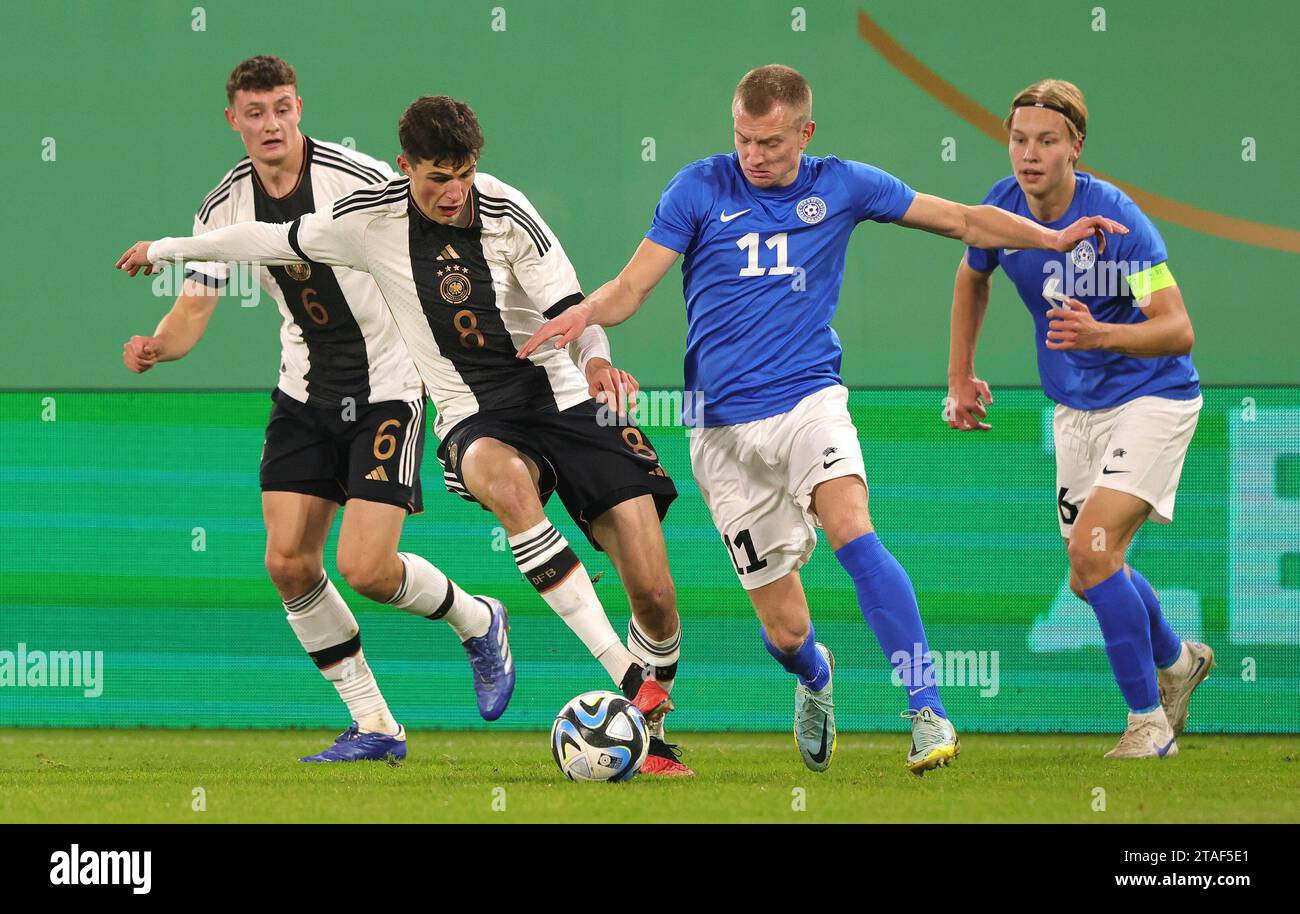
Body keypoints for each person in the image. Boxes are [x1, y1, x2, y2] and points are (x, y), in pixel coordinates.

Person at [519, 64, 1126, 775]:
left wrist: (1053, 239)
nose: (754, 155)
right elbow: (630, 287)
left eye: (771, 142)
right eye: (744, 139)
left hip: (809, 401)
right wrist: (585, 315)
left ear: (806, 132)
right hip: (720, 432)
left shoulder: (844, 185)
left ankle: (927, 710)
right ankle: (815, 676)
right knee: (785, 633)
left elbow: (961, 219)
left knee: (853, 530)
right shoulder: (698, 188)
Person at [118, 95, 693, 776]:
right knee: (505, 487)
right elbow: (263, 241)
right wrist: (166, 247)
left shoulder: (508, 212)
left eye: (464, 175)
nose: (453, 193)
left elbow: (572, 311)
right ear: (405, 168)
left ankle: (649, 726)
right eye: (436, 178)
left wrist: (597, 360)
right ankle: (623, 673)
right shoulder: (369, 219)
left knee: (653, 589)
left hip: (564, 398)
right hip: (473, 414)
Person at [120, 57, 516, 763]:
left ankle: (479, 619)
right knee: (289, 562)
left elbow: (436, 241)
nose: (270, 123)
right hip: (304, 390)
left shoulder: (356, 179)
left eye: (280, 107)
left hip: (390, 385)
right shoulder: (224, 205)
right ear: (232, 119)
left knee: (367, 568)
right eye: (254, 111)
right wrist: (159, 347)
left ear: (299, 107)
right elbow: (194, 305)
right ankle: (375, 727)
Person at [945, 79, 1213, 759]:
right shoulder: (1003, 209)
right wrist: (960, 374)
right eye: (1018, 139)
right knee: (1089, 569)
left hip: (1154, 397)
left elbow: (1178, 329)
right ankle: (1180, 662)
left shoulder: (1118, 223)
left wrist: (1102, 337)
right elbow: (972, 273)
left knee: (1094, 555)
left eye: (1047, 141)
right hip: (1076, 411)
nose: (1029, 155)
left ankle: (1148, 726)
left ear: (1076, 148)